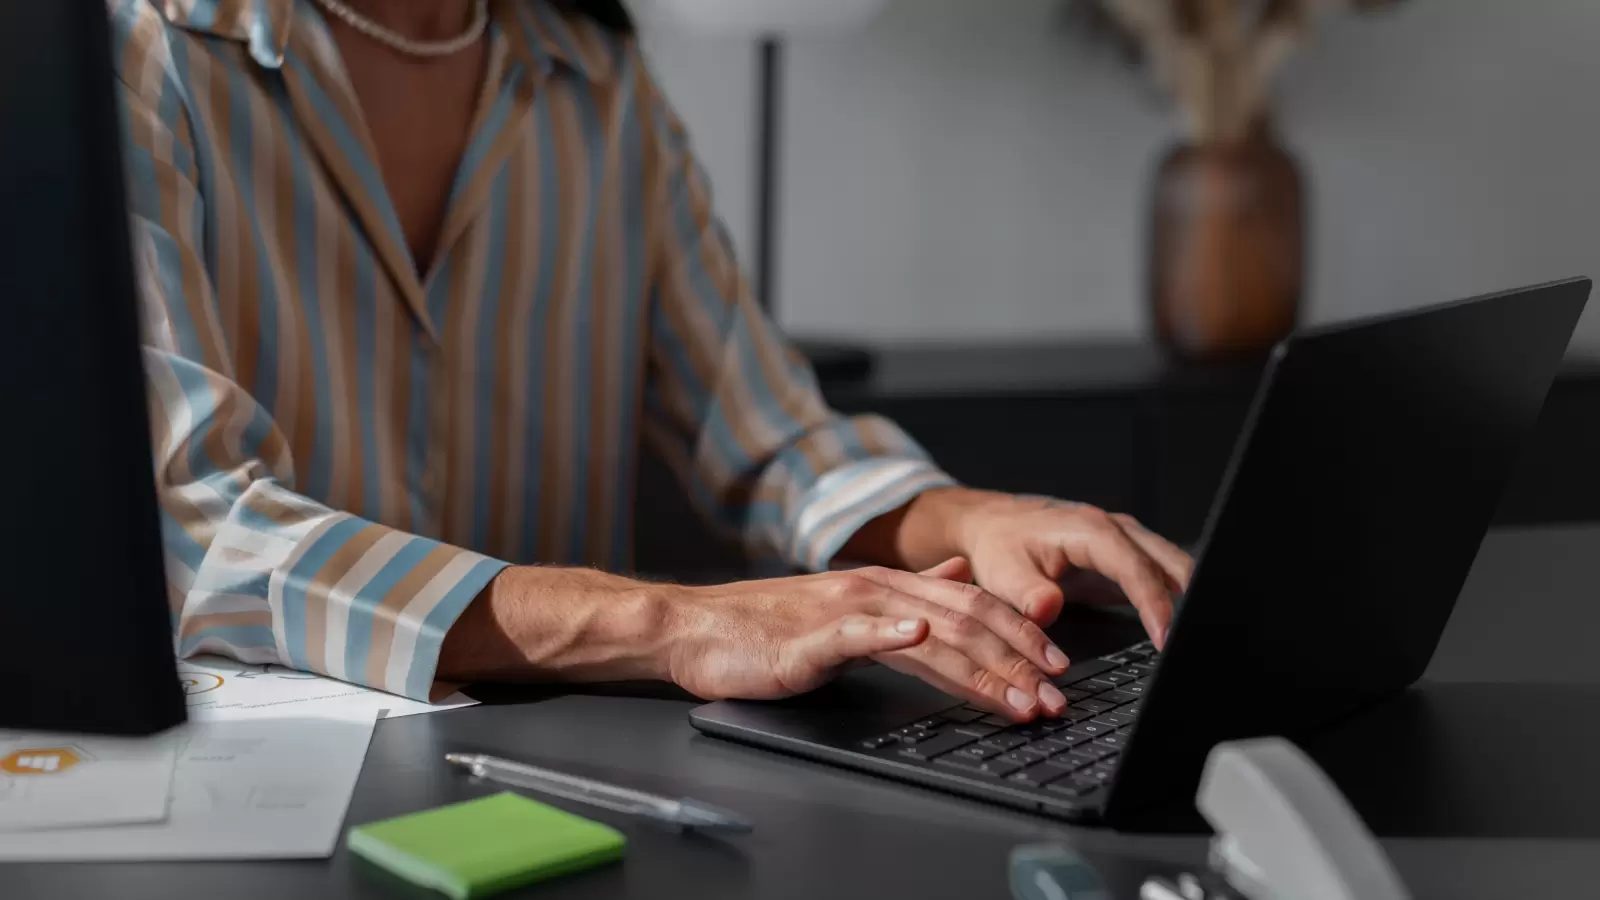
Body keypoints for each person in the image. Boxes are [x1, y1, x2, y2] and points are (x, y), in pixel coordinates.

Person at [115, 0, 1191, 723]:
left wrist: (976, 521)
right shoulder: (139, 50)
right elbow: (193, 527)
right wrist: (676, 621)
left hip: (563, 769)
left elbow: (771, 440)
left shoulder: (595, 77)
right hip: (266, 781)